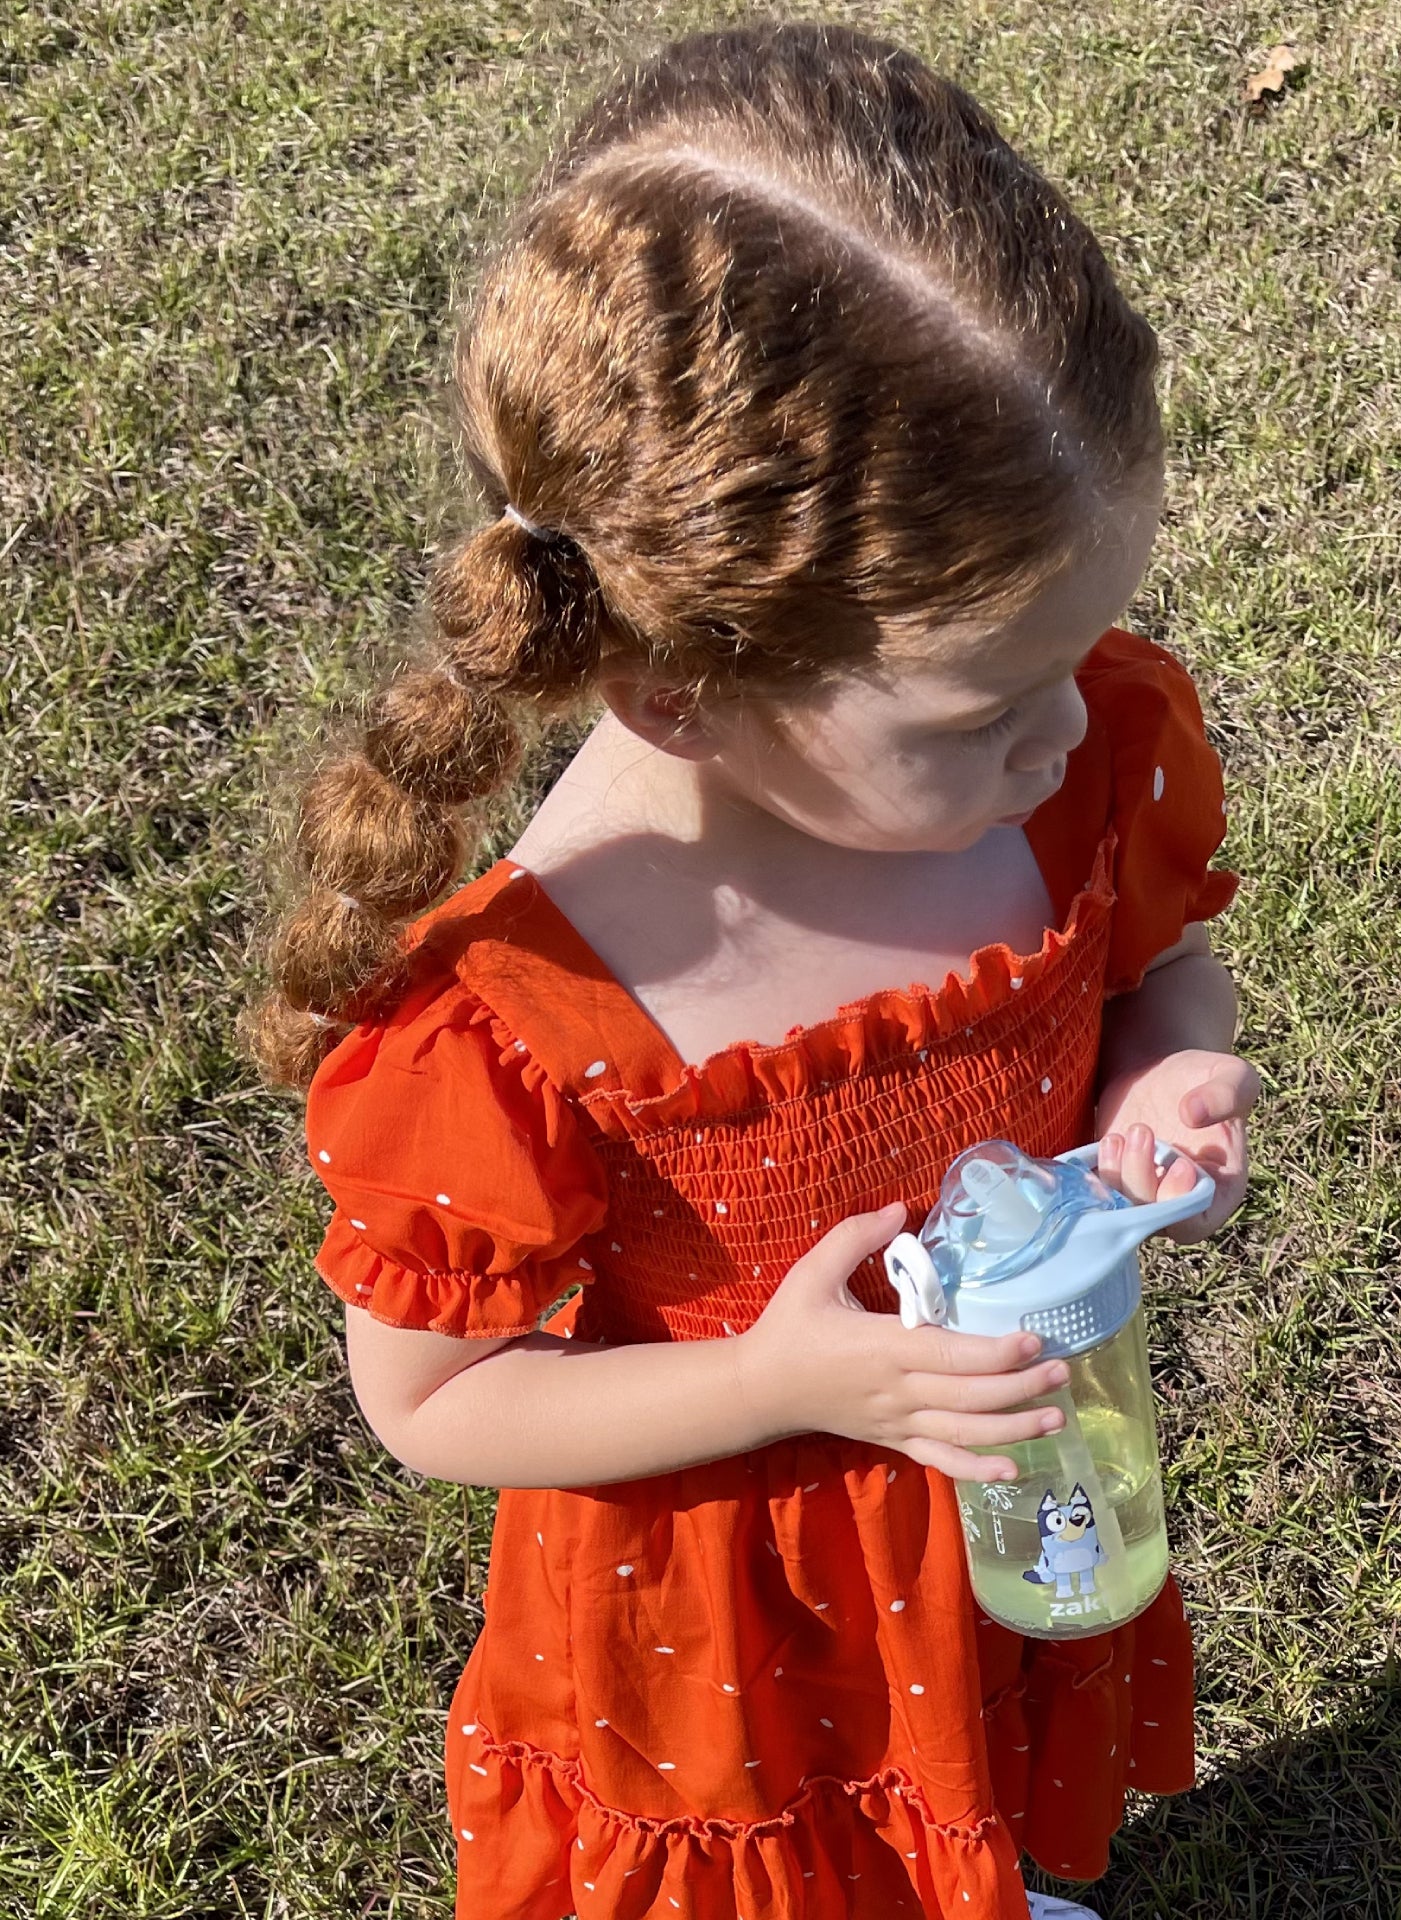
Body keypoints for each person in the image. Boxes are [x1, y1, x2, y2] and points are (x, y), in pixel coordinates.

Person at [253, 23, 1253, 1919]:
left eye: (1080, 653)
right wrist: (790, 1382)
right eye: (980, 707)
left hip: (991, 1509)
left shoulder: (1063, 774)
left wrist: (1157, 1077)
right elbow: (437, 1402)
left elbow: (1161, 968)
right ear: (679, 695)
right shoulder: (516, 1024)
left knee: (976, 1802)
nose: (1062, 735)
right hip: (719, 1614)